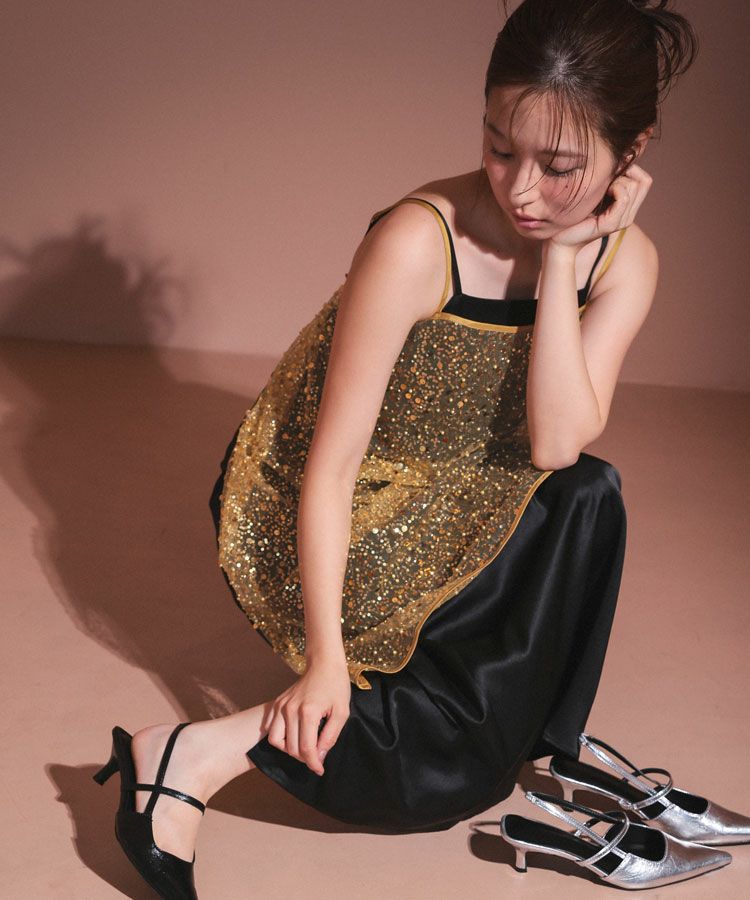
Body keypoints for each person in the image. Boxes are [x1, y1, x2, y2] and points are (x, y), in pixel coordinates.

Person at [95, 1, 750, 896]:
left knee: (588, 492)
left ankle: (520, 741)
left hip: (468, 495)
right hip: (336, 508)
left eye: (560, 168)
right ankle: (192, 754)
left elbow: (557, 442)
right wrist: (326, 662)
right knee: (442, 782)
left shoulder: (623, 262)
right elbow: (329, 466)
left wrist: (563, 260)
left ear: (628, 154)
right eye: (499, 147)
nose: (522, 191)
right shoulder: (417, 240)